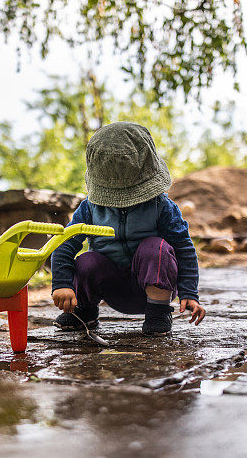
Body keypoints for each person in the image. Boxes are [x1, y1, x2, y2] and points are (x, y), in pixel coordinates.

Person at [50, 121, 206, 335]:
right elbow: (65, 244)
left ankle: (158, 316)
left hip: (154, 289)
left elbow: (184, 249)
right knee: (87, 261)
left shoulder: (162, 207)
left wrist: (189, 292)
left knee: (155, 247)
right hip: (112, 288)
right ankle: (85, 313)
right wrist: (62, 284)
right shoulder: (90, 208)